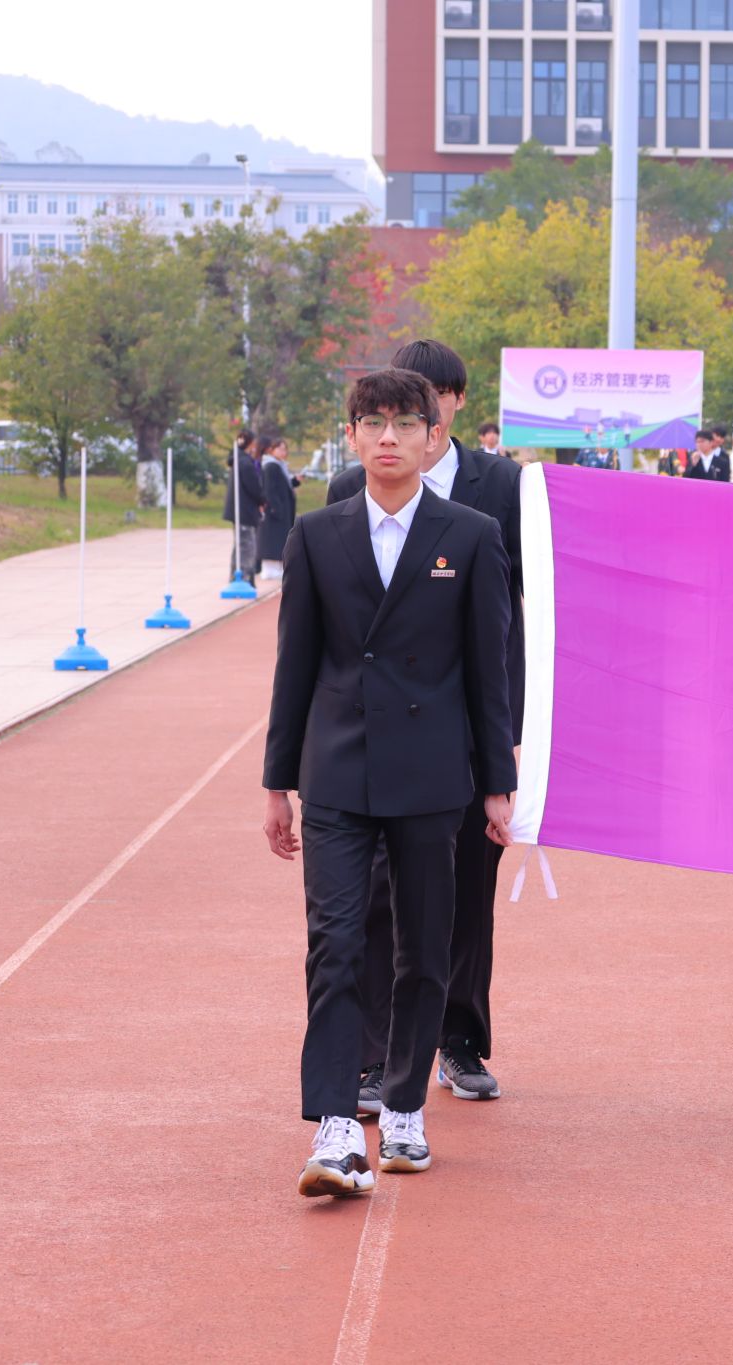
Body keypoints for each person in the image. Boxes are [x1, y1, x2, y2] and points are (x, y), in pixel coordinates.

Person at [262, 366, 516, 1198]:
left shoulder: (471, 535)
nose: (388, 438)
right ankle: (337, 1126)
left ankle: (403, 1104)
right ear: (351, 435)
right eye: (372, 422)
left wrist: (497, 781)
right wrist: (277, 782)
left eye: (406, 423)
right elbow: (295, 664)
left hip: (432, 773)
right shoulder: (316, 534)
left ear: (434, 435)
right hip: (336, 771)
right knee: (335, 944)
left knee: (424, 949)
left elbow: (488, 673)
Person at [328, 339, 525, 1111]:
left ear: (453, 404)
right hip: (377, 728)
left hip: (470, 722)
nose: (415, 415)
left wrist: (512, 723)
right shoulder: (351, 485)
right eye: (400, 403)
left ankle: (460, 1039)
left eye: (433, 396)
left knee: (468, 885)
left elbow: (528, 599)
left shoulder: (500, 485)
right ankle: (375, 1055)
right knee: (380, 893)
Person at [224, 428, 266, 585]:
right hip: (244, 510)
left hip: (240, 509)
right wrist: (262, 500)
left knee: (240, 545)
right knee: (246, 546)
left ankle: (236, 577)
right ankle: (244, 579)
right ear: (250, 444)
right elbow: (253, 487)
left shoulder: (238, 459)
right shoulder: (244, 462)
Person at [258, 433, 300, 581]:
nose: (283, 452)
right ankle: (270, 569)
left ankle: (276, 568)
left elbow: (283, 486)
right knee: (273, 540)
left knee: (280, 538)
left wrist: (295, 481)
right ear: (272, 450)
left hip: (281, 509)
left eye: (285, 449)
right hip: (275, 510)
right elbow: (270, 490)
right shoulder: (271, 466)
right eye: (280, 449)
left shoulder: (279, 465)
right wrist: (276, 508)